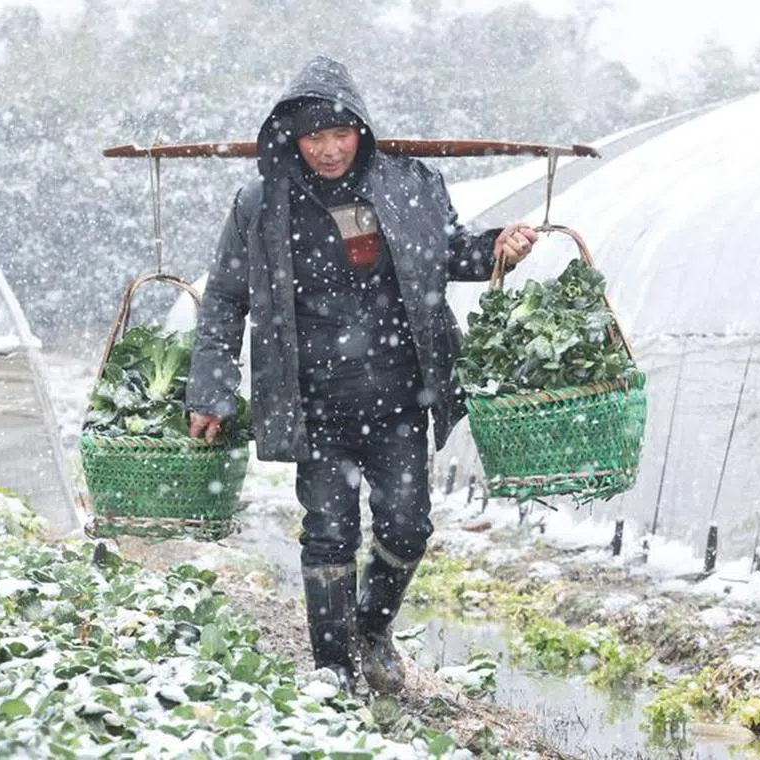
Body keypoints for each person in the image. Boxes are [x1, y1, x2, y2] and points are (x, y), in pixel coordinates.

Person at [186, 55, 536, 694]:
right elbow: (224, 300)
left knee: (408, 524)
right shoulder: (264, 204)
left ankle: (371, 630)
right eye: (313, 137)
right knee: (327, 535)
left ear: (362, 131)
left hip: (401, 393)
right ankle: (334, 669)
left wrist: (495, 249)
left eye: (339, 134)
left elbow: (446, 253)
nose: (327, 149)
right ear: (292, 138)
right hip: (314, 401)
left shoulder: (405, 185)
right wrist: (209, 388)